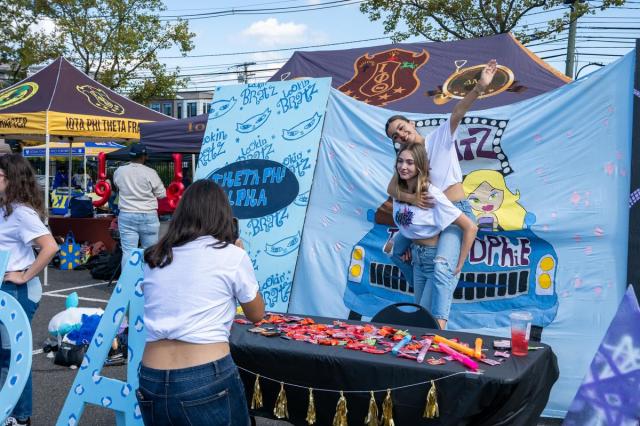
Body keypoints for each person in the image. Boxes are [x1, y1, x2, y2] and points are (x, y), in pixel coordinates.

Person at [137, 179, 264, 426]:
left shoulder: (157, 257)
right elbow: (256, 313)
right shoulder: (232, 255)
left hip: (151, 375)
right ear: (223, 216)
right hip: (205, 374)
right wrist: (241, 253)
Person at [384, 59, 497, 309]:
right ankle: (418, 271)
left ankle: (438, 320)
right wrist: (413, 200)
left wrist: (479, 87)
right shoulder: (406, 159)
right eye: (395, 136)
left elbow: (457, 113)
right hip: (429, 217)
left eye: (401, 128)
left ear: (411, 124)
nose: (401, 135)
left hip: (455, 212)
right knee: (393, 251)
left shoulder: (438, 139)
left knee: (442, 268)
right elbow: (392, 189)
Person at [390, 143, 477, 329]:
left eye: (410, 163)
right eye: (400, 161)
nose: (403, 166)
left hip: (431, 260)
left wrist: (459, 263)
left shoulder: (432, 194)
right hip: (416, 260)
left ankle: (435, 350)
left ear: (419, 166)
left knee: (425, 320)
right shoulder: (399, 191)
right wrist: (408, 244)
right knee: (420, 318)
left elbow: (470, 227)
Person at [0, 154, 58, 426]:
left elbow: (50, 247)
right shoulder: (5, 208)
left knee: (14, 357)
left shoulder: (21, 212)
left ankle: (20, 417)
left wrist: (24, 275)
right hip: (6, 289)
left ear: (12, 179)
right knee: (5, 355)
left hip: (17, 291)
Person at [113, 144, 166, 271]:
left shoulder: (119, 171)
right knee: (150, 251)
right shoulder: (150, 172)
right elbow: (162, 194)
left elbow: (117, 186)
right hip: (148, 214)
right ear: (144, 156)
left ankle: (126, 285)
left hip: (126, 214)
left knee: (128, 252)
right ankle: (148, 282)